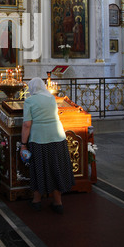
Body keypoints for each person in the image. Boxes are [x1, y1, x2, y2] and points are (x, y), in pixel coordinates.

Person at [20, 77, 75, 214]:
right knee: (55, 168)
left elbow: (27, 124)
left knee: (39, 167)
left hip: (39, 139)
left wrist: (23, 145)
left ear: (32, 88)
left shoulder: (30, 101)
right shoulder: (51, 98)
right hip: (57, 137)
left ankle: (36, 201)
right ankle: (58, 203)